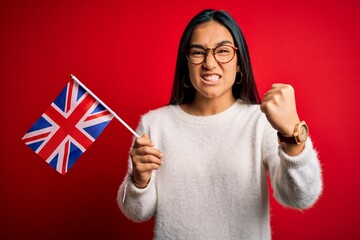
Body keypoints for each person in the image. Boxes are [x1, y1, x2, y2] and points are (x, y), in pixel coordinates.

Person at [117, 9, 323, 240]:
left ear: (239, 64)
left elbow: (299, 197)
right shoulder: (155, 123)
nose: (209, 62)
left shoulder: (260, 121)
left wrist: (292, 134)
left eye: (223, 51)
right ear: (186, 63)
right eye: (198, 52)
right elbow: (136, 213)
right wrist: (139, 180)